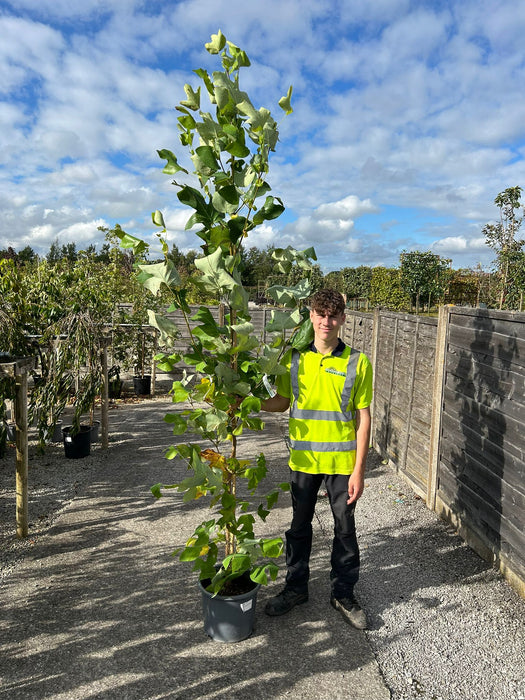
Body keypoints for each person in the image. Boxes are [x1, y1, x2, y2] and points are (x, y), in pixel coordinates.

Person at [261, 288, 373, 629]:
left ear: (343, 319)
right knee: (298, 528)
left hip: (341, 465)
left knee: (344, 531)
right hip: (304, 461)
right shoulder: (294, 359)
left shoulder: (358, 361)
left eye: (334, 315)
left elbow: (363, 418)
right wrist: (245, 403)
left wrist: (359, 472)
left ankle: (343, 594)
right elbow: (281, 403)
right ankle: (295, 589)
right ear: (311, 316)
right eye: (321, 314)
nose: (327, 321)